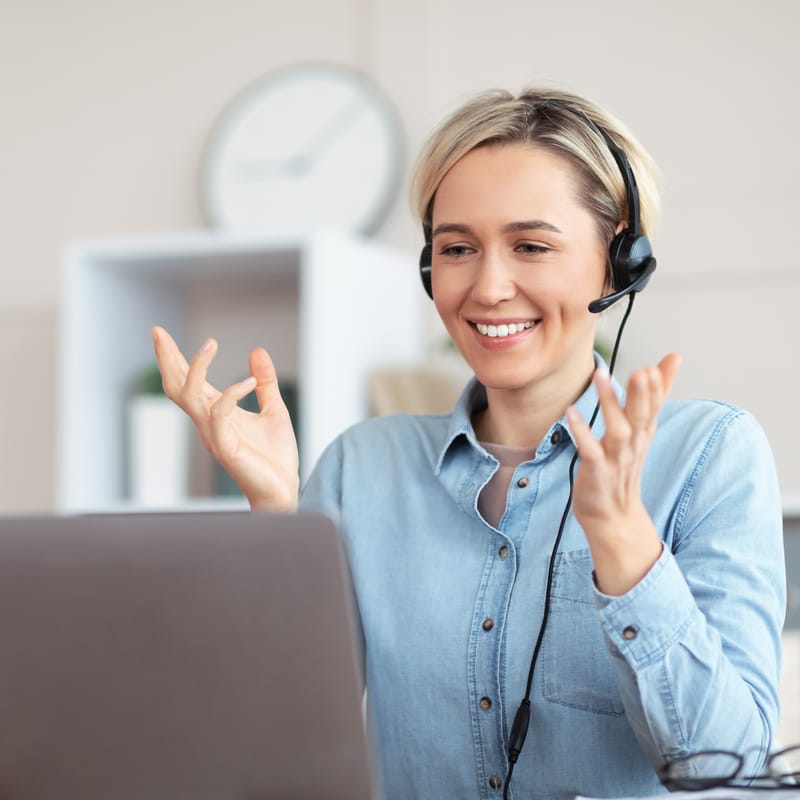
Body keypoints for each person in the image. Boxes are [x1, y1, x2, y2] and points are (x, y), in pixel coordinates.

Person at [152, 87, 786, 800]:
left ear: (619, 262)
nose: (487, 288)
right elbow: (280, 743)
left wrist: (623, 546)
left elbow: (728, 771)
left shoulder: (709, 455)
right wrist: (275, 517)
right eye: (457, 248)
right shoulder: (363, 467)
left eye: (531, 246)